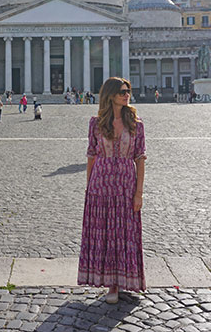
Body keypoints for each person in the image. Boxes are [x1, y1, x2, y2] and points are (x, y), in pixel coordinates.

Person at [78, 77, 146, 303]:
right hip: (101, 184)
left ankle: (124, 280)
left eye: (128, 91)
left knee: (124, 233)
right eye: (121, 91)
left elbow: (140, 159)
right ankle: (111, 284)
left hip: (126, 185)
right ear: (110, 95)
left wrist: (139, 193)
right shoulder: (95, 123)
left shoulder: (137, 123)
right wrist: (89, 188)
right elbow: (91, 156)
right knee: (106, 234)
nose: (126, 95)